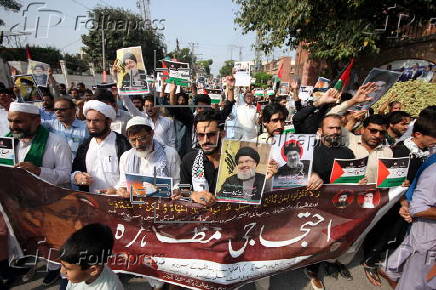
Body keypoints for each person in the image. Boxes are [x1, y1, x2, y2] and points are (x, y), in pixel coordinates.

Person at [7, 102, 72, 285]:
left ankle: (54, 271)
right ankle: (25, 266)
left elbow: (66, 175)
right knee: (25, 242)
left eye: (19, 121)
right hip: (17, 204)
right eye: (10, 121)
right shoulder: (7, 142)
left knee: (50, 244)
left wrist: (38, 171)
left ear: (36, 120)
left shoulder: (57, 143)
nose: (13, 126)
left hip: (49, 204)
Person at [382, 148, 436, 290]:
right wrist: (406, 204)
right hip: (427, 241)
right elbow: (418, 208)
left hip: (423, 237)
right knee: (416, 284)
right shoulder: (434, 173)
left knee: (395, 268)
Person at [72, 100, 131, 194]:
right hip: (92, 201)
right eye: (88, 120)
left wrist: (116, 190)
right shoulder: (85, 146)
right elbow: (75, 170)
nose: (91, 125)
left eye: (96, 121)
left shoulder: (122, 144)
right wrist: (77, 176)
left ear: (108, 121)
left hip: (118, 200)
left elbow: (131, 174)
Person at [113, 116, 181, 198]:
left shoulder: (170, 154)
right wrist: (121, 190)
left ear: (152, 134)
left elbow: (177, 182)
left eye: (142, 138)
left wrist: (176, 190)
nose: (138, 144)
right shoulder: (126, 157)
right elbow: (123, 183)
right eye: (133, 140)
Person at [59, 223, 123, 289]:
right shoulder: (79, 275)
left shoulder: (110, 287)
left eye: (67, 268)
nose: (62, 271)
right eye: (62, 265)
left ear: (93, 270)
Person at [347, 114, 393, 183]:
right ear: (362, 130)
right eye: (373, 130)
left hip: (373, 193)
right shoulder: (348, 142)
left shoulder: (387, 152)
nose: (377, 135)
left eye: (382, 132)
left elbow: (387, 181)